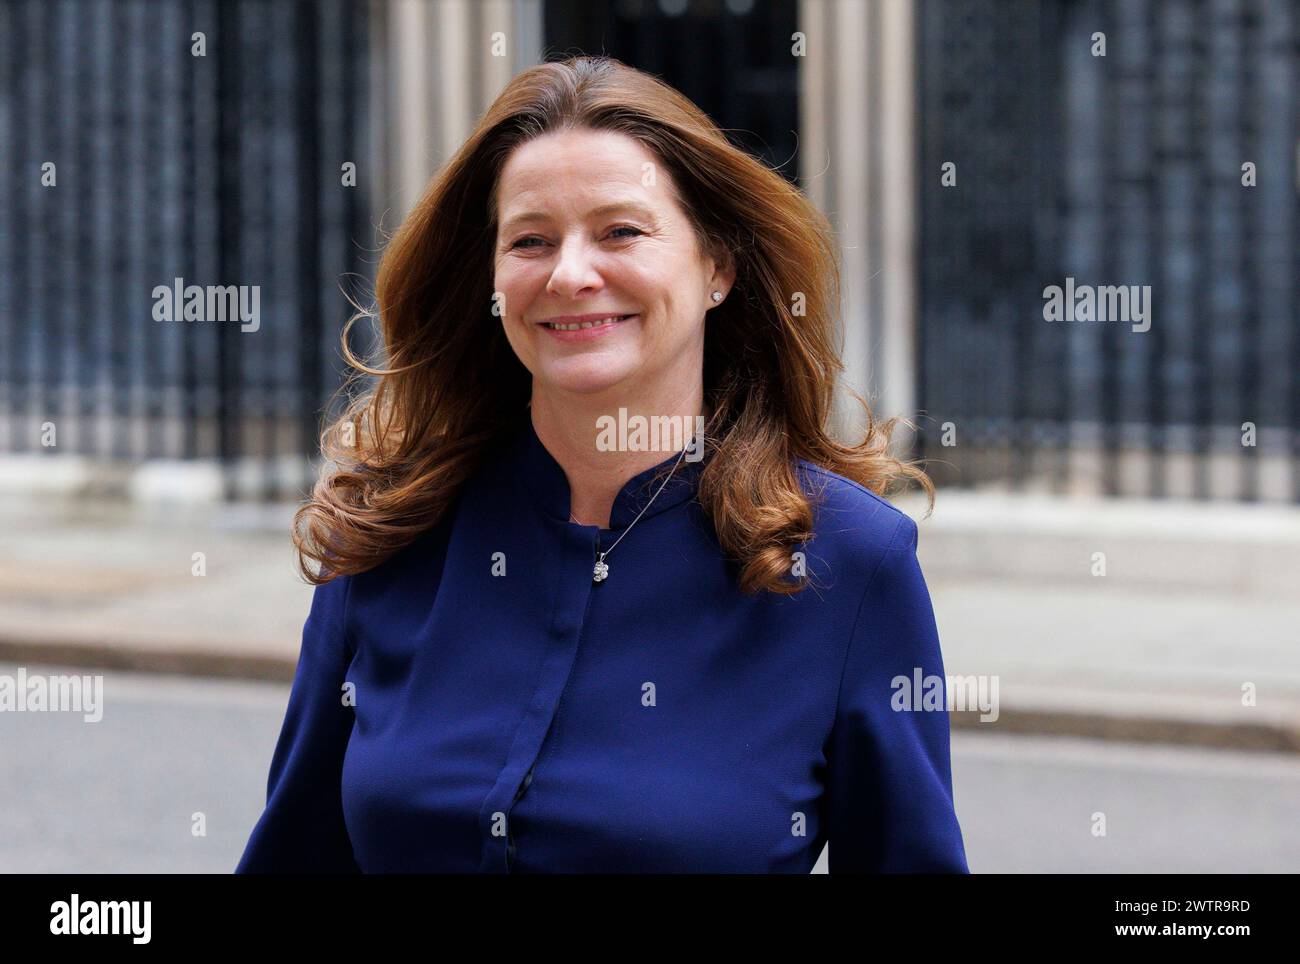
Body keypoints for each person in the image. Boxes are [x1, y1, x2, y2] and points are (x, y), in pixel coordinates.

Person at [235, 55, 968, 874]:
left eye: (621, 231)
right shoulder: (390, 531)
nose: (570, 274)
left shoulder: (848, 563)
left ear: (716, 266)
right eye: (530, 240)